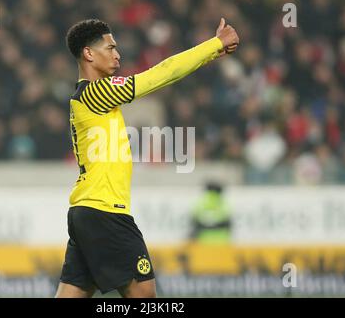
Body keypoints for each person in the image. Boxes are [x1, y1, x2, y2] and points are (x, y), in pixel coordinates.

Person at [55, 18, 239, 298]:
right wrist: (214, 45)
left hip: (86, 211)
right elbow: (162, 74)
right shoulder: (96, 93)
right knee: (144, 296)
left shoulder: (87, 98)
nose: (117, 54)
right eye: (110, 47)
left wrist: (215, 52)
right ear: (89, 54)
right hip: (105, 212)